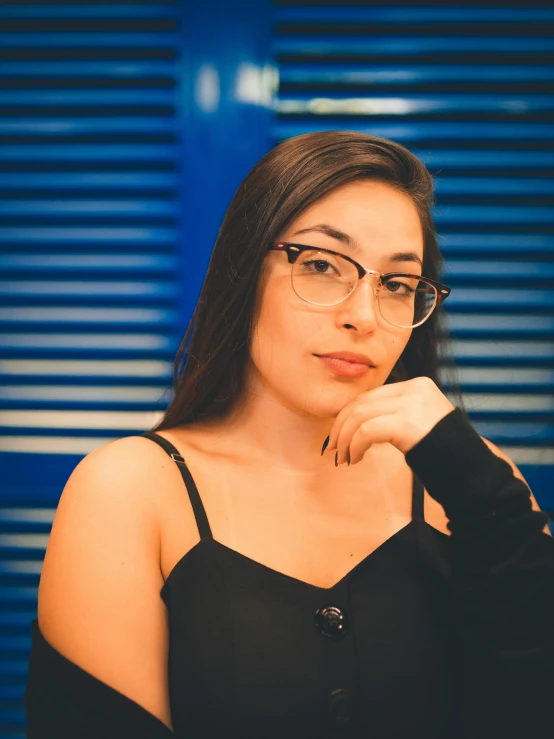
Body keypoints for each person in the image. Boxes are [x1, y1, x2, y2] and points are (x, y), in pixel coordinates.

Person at [25, 131, 553, 739]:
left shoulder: (475, 484)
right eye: (322, 265)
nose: (362, 314)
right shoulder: (130, 490)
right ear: (243, 272)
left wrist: (477, 480)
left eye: (398, 284)